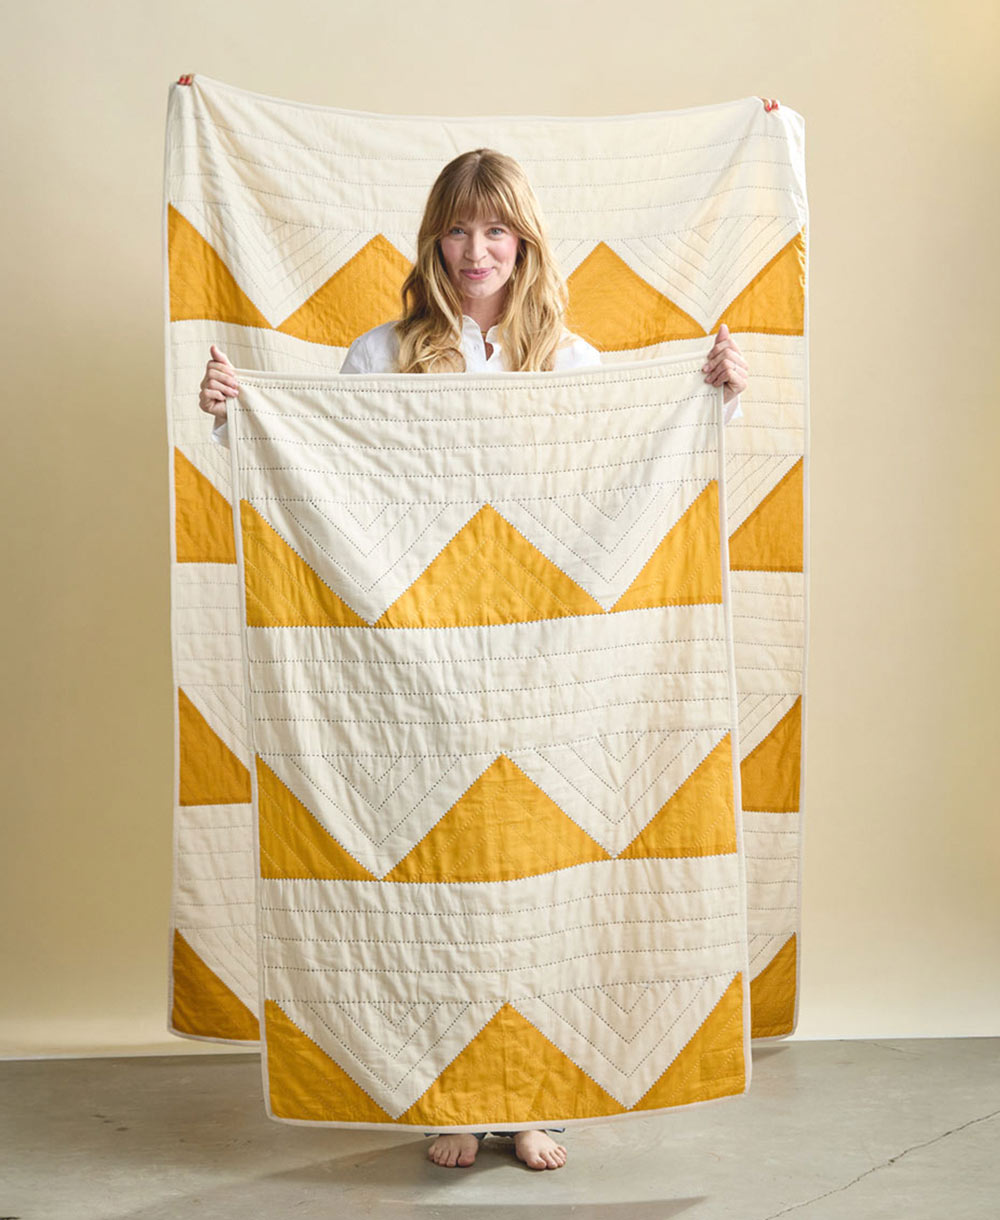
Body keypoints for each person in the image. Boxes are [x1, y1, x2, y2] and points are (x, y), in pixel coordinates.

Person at [198, 148, 749, 1171]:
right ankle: (453, 1096)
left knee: (533, 875)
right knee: (442, 878)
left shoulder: (569, 361)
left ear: (525, 241)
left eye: (495, 230)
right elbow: (326, 478)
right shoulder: (382, 353)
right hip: (421, 660)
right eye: (457, 229)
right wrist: (241, 409)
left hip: (544, 653)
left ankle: (530, 1099)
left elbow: (627, 468)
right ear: (432, 241)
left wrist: (711, 393)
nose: (475, 250)